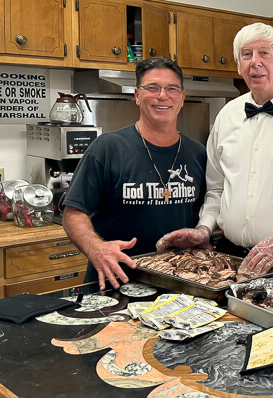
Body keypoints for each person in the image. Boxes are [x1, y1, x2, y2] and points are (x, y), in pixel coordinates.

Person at [158, 23, 273, 277]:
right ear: (238, 66)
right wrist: (204, 229)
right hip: (229, 257)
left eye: (264, 53)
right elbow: (216, 189)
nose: (255, 62)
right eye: (246, 54)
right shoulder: (226, 115)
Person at [62, 57, 207, 290]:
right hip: (115, 282)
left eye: (171, 89)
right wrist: (96, 248)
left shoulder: (197, 153)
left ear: (182, 98)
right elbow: (73, 214)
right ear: (137, 96)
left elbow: (204, 213)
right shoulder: (107, 148)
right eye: (152, 88)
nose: (162, 95)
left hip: (178, 284)